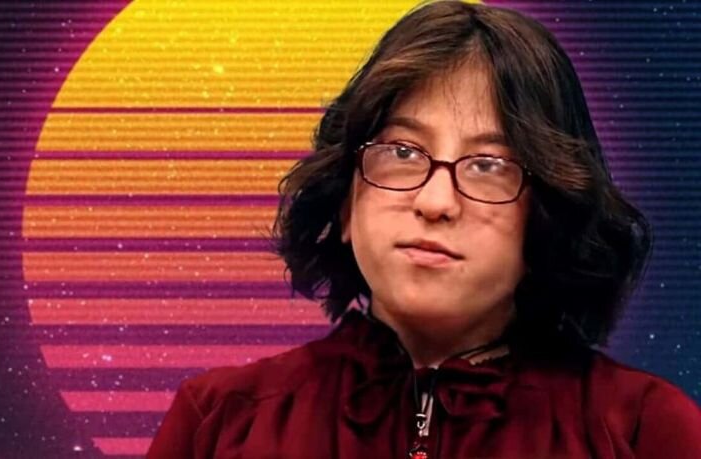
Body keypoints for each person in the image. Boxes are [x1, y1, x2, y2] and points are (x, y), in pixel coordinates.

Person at [147, 1, 701, 458]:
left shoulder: (643, 430)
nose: (436, 202)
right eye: (403, 152)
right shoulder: (219, 422)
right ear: (346, 202)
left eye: (488, 165)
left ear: (547, 216)